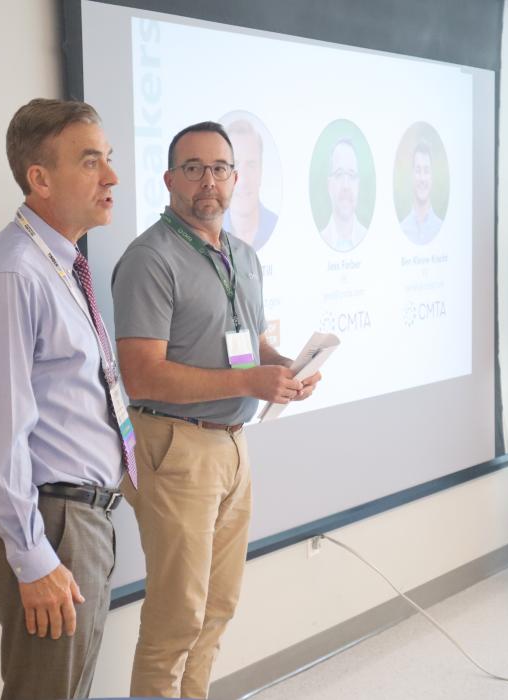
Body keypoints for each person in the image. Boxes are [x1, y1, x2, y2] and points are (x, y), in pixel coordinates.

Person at [111, 121, 321, 698]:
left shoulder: (242, 255)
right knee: (177, 620)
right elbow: (141, 374)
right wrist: (250, 379)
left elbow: (250, 345)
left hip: (232, 444)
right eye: (194, 168)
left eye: (220, 168)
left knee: (216, 610)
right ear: (169, 180)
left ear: (235, 178)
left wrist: (285, 369)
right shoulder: (149, 259)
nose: (209, 180)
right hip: (174, 445)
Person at [0, 98, 133, 699]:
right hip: (53, 525)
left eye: (108, 158)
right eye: (91, 161)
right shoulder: (12, 274)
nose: (111, 176)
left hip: (83, 519)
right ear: (40, 178)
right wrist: (33, 558)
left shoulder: (60, 263)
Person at [221, 118, 279, 250]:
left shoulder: (277, 226)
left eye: (251, 165)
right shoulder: (208, 234)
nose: (243, 180)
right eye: (234, 165)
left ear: (261, 171)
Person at [318, 138, 368, 252]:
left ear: (358, 185)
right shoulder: (319, 240)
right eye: (339, 174)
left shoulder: (370, 238)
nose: (346, 185)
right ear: (329, 185)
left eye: (352, 175)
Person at [400, 141, 443, 244]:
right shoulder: (401, 229)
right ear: (412, 175)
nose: (422, 178)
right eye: (418, 171)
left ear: (432, 177)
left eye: (426, 171)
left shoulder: (442, 228)